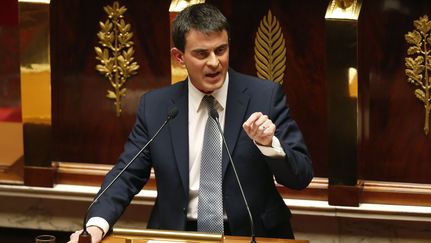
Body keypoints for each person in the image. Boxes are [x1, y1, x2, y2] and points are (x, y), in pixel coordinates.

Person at [68, 3, 313, 242]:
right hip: (177, 234)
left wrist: (270, 144)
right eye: (201, 54)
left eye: (220, 50)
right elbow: (126, 174)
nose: (214, 62)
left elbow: (300, 176)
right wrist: (95, 226)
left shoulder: (265, 96)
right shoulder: (156, 107)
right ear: (179, 57)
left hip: (252, 234)